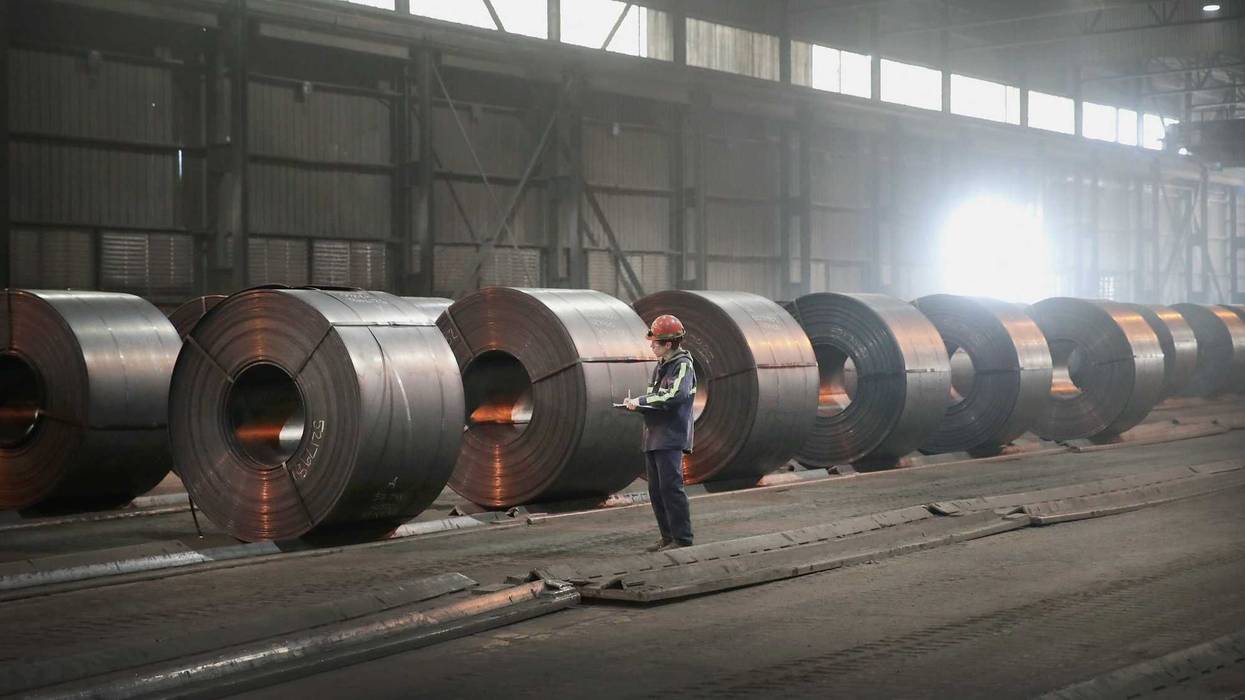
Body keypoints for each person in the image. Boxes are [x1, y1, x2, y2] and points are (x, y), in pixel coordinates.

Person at [623, 314, 696, 552]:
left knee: (671, 488)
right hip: (654, 436)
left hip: (670, 436)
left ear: (668, 344)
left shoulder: (682, 364)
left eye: (655, 342)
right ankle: (667, 536)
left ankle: (682, 539)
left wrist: (641, 400)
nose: (651, 344)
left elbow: (675, 395)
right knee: (656, 491)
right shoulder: (661, 366)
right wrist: (637, 405)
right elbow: (657, 399)